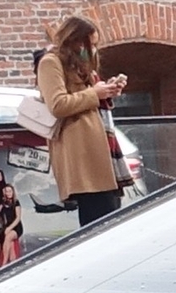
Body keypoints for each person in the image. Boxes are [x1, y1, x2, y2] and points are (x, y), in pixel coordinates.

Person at [36, 15, 128, 225]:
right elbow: (58, 104)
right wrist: (95, 93)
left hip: (101, 145)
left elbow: (90, 96)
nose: (92, 49)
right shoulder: (51, 62)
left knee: (111, 212)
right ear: (75, 40)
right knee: (97, 216)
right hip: (81, 152)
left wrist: (108, 90)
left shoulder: (80, 64)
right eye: (89, 44)